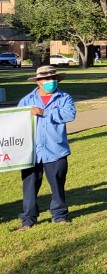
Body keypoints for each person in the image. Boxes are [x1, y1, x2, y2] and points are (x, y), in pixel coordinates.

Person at [16, 64, 77, 230]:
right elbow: (15, 122)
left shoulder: (64, 98)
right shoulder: (27, 101)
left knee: (57, 185)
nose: (51, 81)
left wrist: (44, 112)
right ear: (38, 82)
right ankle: (28, 219)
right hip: (31, 152)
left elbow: (70, 114)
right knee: (29, 186)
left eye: (53, 78)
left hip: (56, 150)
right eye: (46, 79)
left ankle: (59, 216)